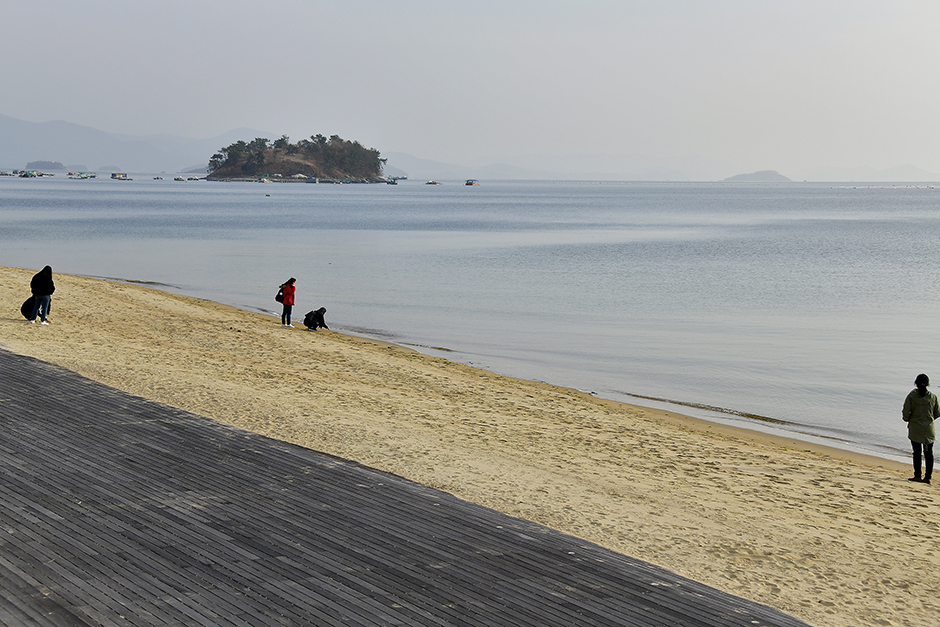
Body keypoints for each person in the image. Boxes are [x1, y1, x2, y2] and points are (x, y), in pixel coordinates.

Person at [902, 373, 938, 484]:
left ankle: (917, 475)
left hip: (915, 428)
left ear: (916, 384)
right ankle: (927, 477)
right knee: (928, 453)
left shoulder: (912, 396)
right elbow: (937, 412)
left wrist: (909, 419)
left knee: (917, 452)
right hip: (928, 430)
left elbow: (905, 412)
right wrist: (929, 420)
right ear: (927, 384)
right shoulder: (932, 397)